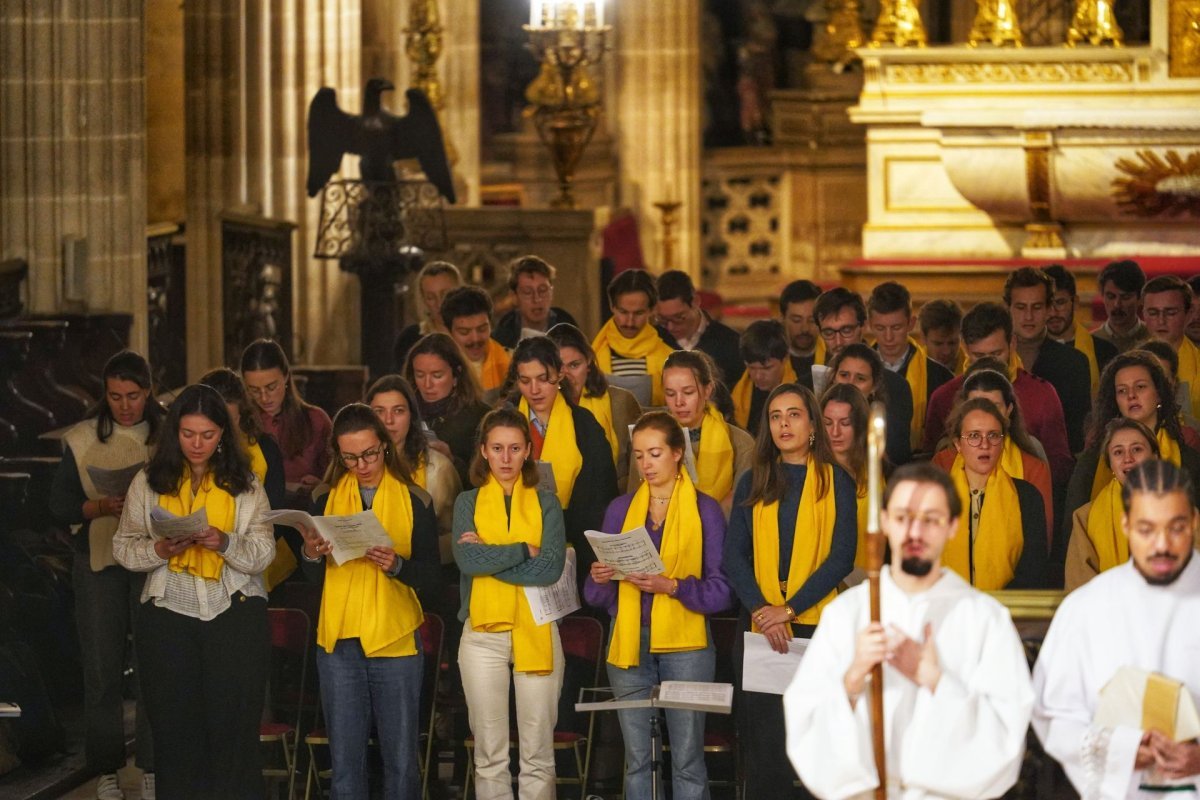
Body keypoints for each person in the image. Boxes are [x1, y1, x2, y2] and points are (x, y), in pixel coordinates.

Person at [784, 462, 1034, 800]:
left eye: (931, 519)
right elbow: (804, 722)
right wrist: (853, 677)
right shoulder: (847, 614)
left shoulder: (984, 619)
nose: (915, 532)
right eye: (903, 518)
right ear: (885, 522)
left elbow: (1006, 736)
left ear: (953, 526)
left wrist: (935, 680)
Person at [112, 384, 275, 800]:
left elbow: (262, 553)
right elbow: (123, 545)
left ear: (223, 434)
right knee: (176, 731)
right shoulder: (148, 482)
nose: (197, 444)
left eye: (208, 435)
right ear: (174, 433)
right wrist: (160, 549)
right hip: (168, 612)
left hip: (234, 610)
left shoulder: (247, 485)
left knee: (234, 729)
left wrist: (225, 542)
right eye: (188, 434)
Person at [584, 412, 733, 800]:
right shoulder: (621, 509)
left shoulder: (706, 510)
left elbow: (722, 592)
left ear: (678, 453)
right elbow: (595, 598)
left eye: (654, 454)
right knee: (636, 758)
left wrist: (673, 586)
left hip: (687, 647)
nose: (646, 465)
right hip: (629, 641)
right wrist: (599, 577)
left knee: (686, 757)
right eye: (638, 456)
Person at [1033, 459, 1200, 799]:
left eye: (1176, 527)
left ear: (1195, 522)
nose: (1162, 545)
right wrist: (1120, 750)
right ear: (1125, 525)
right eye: (1146, 529)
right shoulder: (1086, 608)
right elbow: (1054, 716)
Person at [297, 403, 440, 799]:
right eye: (350, 457)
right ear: (338, 455)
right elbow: (313, 575)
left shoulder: (415, 499)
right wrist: (311, 553)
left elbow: (433, 580)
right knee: (345, 765)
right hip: (340, 641)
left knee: (400, 763)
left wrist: (398, 565)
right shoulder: (324, 498)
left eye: (370, 454)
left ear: (385, 447)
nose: (361, 465)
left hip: (395, 640)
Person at [723, 383, 858, 799]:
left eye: (794, 414)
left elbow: (841, 558)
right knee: (766, 750)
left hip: (817, 628)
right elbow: (733, 558)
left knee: (819, 745)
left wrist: (789, 609)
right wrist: (764, 609)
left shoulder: (836, 480)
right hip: (760, 628)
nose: (784, 424)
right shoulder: (753, 480)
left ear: (812, 423)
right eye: (776, 416)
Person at [50, 351, 166, 800]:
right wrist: (99, 506)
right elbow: (55, 506)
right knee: (101, 672)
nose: (124, 406)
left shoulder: (166, 433)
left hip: (153, 557)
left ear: (148, 392)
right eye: (115, 396)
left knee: (154, 667)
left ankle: (154, 768)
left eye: (133, 396)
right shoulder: (81, 438)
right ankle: (106, 772)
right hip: (98, 561)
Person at [452, 408, 568, 800]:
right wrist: (522, 550)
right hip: (482, 635)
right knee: (489, 754)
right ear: (483, 451)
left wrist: (491, 558)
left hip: (537, 626)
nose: (505, 458)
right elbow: (467, 561)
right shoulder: (466, 502)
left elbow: (550, 569)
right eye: (497, 448)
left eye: (515, 448)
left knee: (538, 752)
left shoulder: (547, 503)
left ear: (527, 451)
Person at [502, 336, 618, 579]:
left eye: (543, 379)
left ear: (560, 374)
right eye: (525, 380)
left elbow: (601, 493)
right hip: (515, 539)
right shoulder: (503, 422)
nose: (534, 390)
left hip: (577, 542)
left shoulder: (584, 424)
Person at [923, 302, 1073, 482]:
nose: (988, 363)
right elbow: (930, 465)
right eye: (978, 356)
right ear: (964, 348)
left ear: (1013, 343)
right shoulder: (943, 397)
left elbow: (1058, 468)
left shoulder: (1042, 394)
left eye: (996, 354)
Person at [1064, 351, 1200, 525]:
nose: (1131, 396)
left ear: (1158, 394)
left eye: (1140, 387)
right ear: (1116, 400)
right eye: (1122, 390)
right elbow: (1072, 530)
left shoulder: (1189, 461)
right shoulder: (1093, 460)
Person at [198, 367, 295, 590]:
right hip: (199, 558)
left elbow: (274, 514)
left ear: (241, 414)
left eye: (229, 421)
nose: (222, 431)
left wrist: (236, 546)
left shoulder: (265, 448)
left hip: (253, 560)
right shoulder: (191, 448)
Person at [931, 366, 1055, 537]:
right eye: (976, 405)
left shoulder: (1033, 469)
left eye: (994, 406)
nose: (985, 415)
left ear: (1009, 410)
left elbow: (1041, 539)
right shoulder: (943, 463)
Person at [938, 397, 1048, 589]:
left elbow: (1033, 571)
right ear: (957, 444)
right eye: (973, 436)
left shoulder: (1027, 497)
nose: (984, 444)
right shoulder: (934, 499)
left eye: (993, 435)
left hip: (1007, 610)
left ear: (1003, 442)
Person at [636, 349, 755, 514]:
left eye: (688, 392)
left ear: (708, 390)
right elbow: (635, 498)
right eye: (670, 394)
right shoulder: (648, 438)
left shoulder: (740, 443)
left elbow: (743, 506)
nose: (679, 402)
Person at [366, 374, 462, 563]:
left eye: (398, 411)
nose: (388, 420)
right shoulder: (354, 465)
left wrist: (409, 553)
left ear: (412, 416)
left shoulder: (438, 469)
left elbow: (456, 538)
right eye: (379, 412)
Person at [815, 287, 914, 464]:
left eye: (846, 330)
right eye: (829, 333)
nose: (838, 342)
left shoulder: (894, 385)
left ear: (863, 326)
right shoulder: (807, 385)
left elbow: (896, 453)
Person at [1064, 418, 1161, 591]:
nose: (1128, 459)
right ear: (1110, 464)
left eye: (1137, 449)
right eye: (1118, 452)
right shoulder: (1085, 518)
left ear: (1154, 457)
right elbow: (1078, 590)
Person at [1005, 267, 1094, 454]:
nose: (1028, 317)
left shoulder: (1074, 363)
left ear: (1048, 309)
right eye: (1021, 307)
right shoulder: (995, 359)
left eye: (1036, 307)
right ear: (1008, 308)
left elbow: (1076, 436)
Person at [546, 322, 643, 491]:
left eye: (574, 365)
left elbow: (638, 469)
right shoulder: (536, 408)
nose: (566, 376)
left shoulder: (620, 402)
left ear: (589, 362)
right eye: (559, 367)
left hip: (613, 501)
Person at [240, 338, 332, 507]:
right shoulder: (240, 425)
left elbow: (341, 480)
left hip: (307, 517)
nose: (264, 397)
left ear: (286, 377)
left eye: (271, 387)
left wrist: (322, 486)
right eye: (254, 390)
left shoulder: (316, 420)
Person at [867, 281, 955, 452]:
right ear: (870, 325)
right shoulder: (855, 373)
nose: (888, 337)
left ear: (911, 323)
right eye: (880, 328)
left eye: (896, 327)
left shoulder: (940, 377)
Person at [403, 332, 492, 486]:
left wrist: (451, 460)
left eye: (437, 375)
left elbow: (488, 481)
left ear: (456, 375)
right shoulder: (402, 413)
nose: (427, 384)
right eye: (420, 375)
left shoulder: (481, 418)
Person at [591, 269, 676, 406]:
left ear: (651, 310)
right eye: (623, 312)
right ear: (612, 307)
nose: (629, 322)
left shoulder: (669, 358)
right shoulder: (592, 357)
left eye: (639, 313)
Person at [656, 269, 744, 385]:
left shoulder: (730, 343)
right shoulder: (654, 340)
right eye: (663, 319)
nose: (670, 327)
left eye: (679, 317)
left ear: (695, 302)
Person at [821, 381, 874, 569]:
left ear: (860, 426)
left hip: (865, 578)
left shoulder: (876, 471)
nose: (835, 432)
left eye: (845, 423)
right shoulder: (807, 470)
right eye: (827, 423)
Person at [1043, 264, 1118, 393]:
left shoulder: (1104, 352)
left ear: (1075, 303)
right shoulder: (1028, 353)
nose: (1053, 312)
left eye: (1060, 303)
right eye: (1046, 304)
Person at [491, 255, 580, 349]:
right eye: (527, 292)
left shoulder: (569, 330)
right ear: (514, 297)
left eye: (542, 290)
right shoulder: (501, 337)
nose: (537, 299)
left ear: (551, 292)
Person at [1143, 275, 1200, 421]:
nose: (1161, 321)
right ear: (1143, 314)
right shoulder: (1126, 364)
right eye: (1153, 313)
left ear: (1188, 314)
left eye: (1170, 313)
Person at [731, 319, 798, 437]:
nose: (758, 376)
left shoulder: (802, 388)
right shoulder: (734, 392)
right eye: (751, 368)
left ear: (785, 358)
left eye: (766, 368)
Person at [440, 285, 511, 394]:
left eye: (482, 329)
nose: (475, 339)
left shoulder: (512, 364)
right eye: (465, 332)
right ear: (448, 332)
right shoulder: (434, 370)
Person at [393, 260, 463, 369]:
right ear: (424, 300)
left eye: (445, 294)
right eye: (431, 297)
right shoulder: (410, 339)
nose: (439, 303)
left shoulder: (477, 337)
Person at [1093, 259, 1151, 353]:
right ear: (1102, 296)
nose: (1117, 305)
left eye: (1125, 297)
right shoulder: (1089, 343)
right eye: (1111, 297)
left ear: (1141, 298)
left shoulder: (1154, 340)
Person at [779, 279, 825, 389]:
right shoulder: (770, 360)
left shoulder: (832, 359)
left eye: (812, 320)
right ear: (783, 319)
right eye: (796, 320)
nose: (804, 329)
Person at [918, 298, 966, 376]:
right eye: (938, 344)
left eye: (952, 343)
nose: (946, 352)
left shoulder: (973, 370)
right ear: (923, 337)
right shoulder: (911, 371)